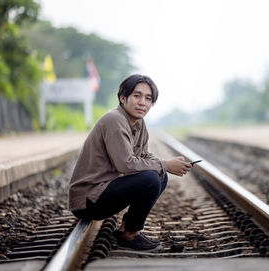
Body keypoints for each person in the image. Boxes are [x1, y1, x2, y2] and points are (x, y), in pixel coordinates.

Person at [68, 74, 192, 251]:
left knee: (159, 175)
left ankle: (128, 228)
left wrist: (166, 165)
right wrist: (165, 164)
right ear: (122, 98)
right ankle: (129, 236)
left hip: (104, 191)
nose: (142, 102)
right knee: (150, 178)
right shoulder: (115, 120)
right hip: (89, 199)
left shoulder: (139, 124)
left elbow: (143, 155)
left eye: (148, 98)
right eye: (137, 96)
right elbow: (126, 164)